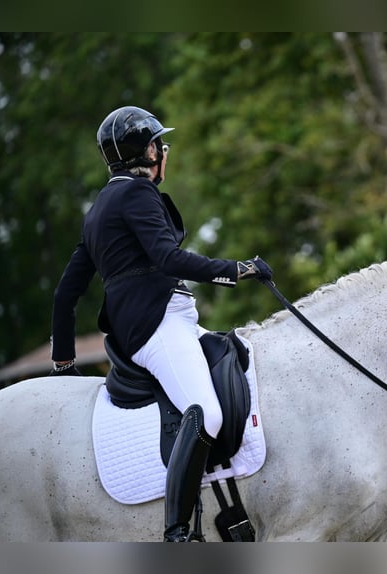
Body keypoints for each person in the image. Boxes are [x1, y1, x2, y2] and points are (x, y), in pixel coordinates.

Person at [50, 105, 272, 542]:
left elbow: (64, 295)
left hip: (161, 323)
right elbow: (169, 259)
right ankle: (176, 533)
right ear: (148, 152)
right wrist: (238, 270)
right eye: (158, 143)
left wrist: (63, 365)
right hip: (156, 325)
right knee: (205, 413)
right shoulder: (136, 194)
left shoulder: (97, 212)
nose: (163, 150)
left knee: (242, 369)